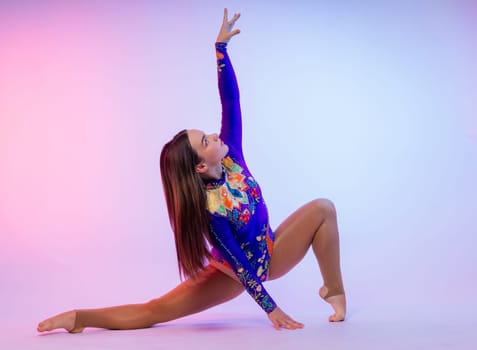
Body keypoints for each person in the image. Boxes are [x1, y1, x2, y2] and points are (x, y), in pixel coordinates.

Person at [37, 8, 346, 333]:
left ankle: (333, 288)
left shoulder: (232, 157)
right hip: (235, 271)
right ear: (201, 165)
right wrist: (272, 309)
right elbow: (240, 266)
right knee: (154, 311)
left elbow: (231, 102)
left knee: (323, 208)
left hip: (272, 250)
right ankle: (79, 318)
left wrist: (221, 51)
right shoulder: (211, 211)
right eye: (206, 140)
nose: (215, 135)